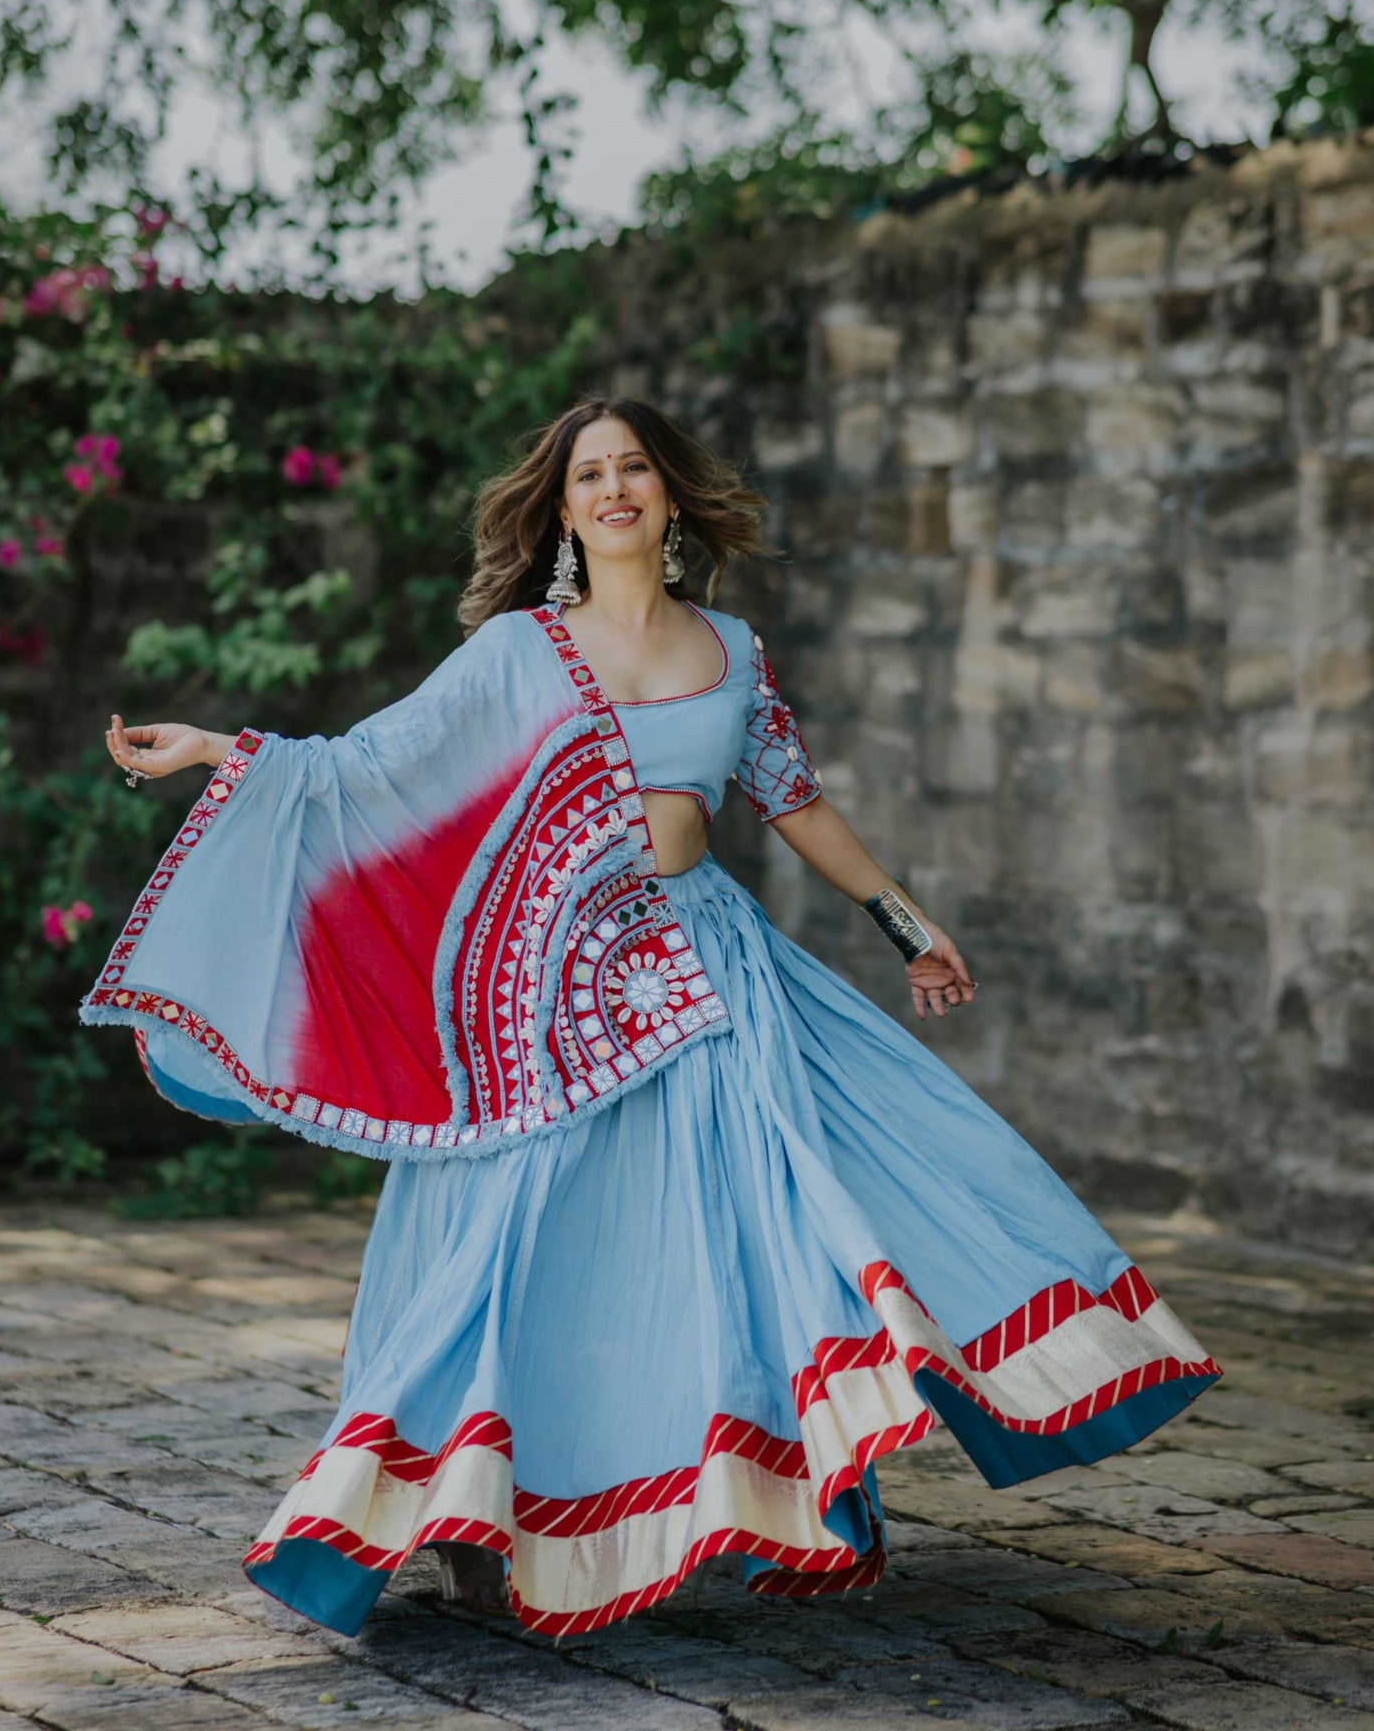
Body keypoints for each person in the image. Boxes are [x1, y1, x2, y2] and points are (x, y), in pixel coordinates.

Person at [91, 396, 1217, 1639]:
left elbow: (793, 803)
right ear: (563, 509)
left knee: (764, 1225)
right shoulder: (520, 651)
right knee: (527, 1251)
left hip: (711, 972)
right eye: (589, 475)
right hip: (560, 992)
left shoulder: (731, 650)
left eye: (634, 468)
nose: (614, 489)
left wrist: (906, 922)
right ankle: (481, 1508)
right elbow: (367, 767)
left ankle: (774, 1494)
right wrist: (217, 749)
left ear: (669, 495)